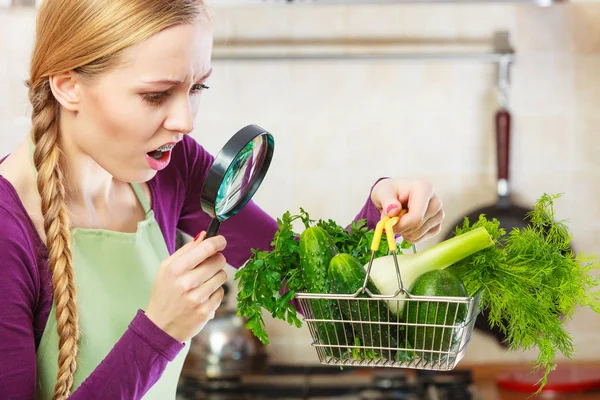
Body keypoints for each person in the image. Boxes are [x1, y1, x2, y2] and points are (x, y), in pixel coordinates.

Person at [0, 1, 446, 399]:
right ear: (67, 85)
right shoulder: (8, 233)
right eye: (155, 95)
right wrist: (159, 333)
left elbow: (306, 290)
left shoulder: (171, 167)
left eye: (197, 89)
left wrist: (383, 213)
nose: (185, 121)